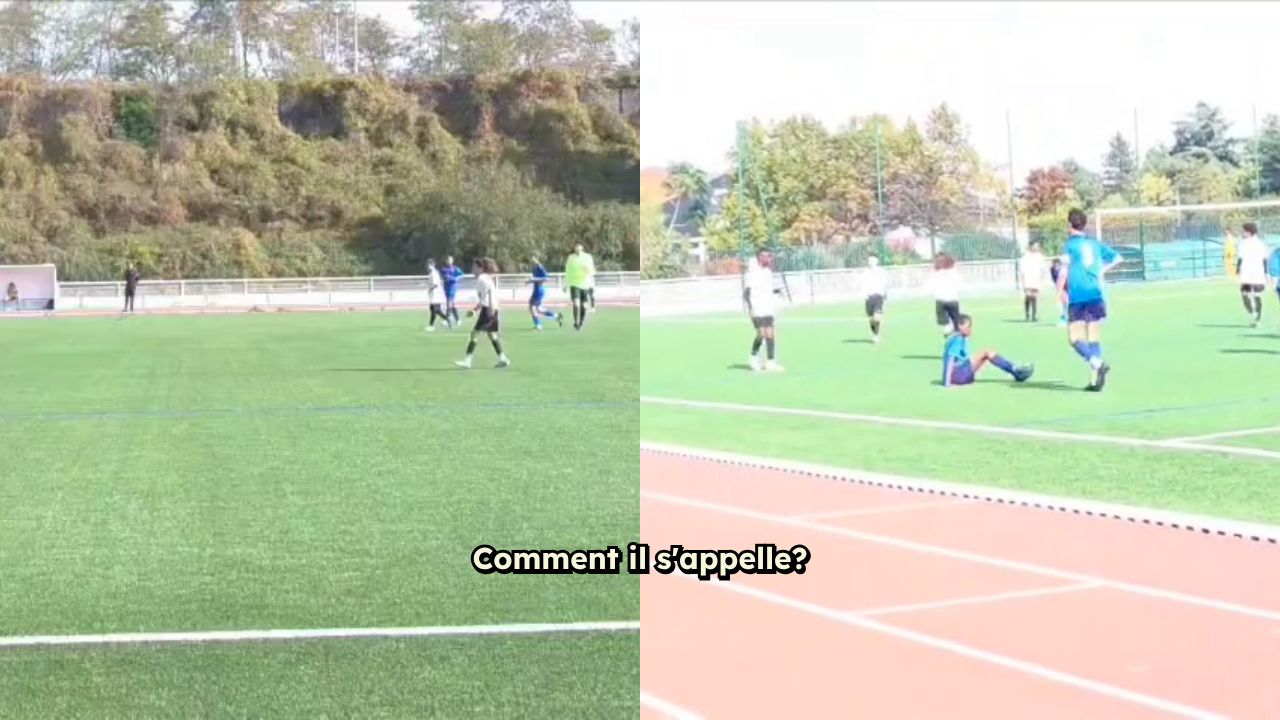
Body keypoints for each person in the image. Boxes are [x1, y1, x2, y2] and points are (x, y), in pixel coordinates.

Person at [1057, 208, 1121, 392]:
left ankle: (1096, 363)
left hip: (1078, 295)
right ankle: (1095, 381)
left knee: (1074, 338)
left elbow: (1064, 269)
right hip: (1095, 293)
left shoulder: (1070, 245)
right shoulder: (1094, 243)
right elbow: (1118, 258)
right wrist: (1100, 271)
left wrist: (1059, 290)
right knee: (1093, 335)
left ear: (1069, 224)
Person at [942, 314, 1034, 388]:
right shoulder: (957, 340)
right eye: (968, 326)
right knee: (987, 352)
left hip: (961, 373)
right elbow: (949, 359)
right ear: (960, 327)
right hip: (960, 376)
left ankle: (1016, 371)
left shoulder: (959, 337)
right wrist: (947, 383)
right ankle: (1016, 372)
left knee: (985, 354)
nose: (971, 329)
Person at [454, 258, 510, 369]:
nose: (472, 270)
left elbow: (485, 298)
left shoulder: (481, 279)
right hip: (493, 309)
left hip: (488, 309)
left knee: (474, 333)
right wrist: (477, 310)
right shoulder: (487, 278)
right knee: (491, 335)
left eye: (474, 268)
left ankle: (467, 361)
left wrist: (478, 310)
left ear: (481, 268)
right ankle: (503, 358)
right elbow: (487, 296)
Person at [744, 250, 784, 372]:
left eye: (769, 256)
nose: (768, 258)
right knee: (761, 334)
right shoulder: (751, 273)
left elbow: (769, 289)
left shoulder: (768, 273)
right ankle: (753, 356)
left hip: (768, 307)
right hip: (756, 308)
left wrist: (777, 292)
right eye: (764, 256)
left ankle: (770, 362)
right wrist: (750, 308)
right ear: (759, 258)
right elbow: (746, 292)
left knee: (770, 333)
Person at [1233, 224, 1270, 328]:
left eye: (1244, 231)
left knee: (1247, 295)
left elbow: (1240, 259)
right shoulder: (1260, 243)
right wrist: (1266, 273)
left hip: (1249, 274)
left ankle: (1255, 315)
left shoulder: (1244, 244)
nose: (1242, 233)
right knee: (1253, 295)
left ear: (1249, 232)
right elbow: (1265, 260)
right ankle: (1256, 317)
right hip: (1256, 274)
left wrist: (1237, 271)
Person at [927, 252, 962, 336]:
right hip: (953, 299)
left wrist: (930, 291)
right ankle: (956, 329)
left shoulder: (935, 273)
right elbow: (959, 283)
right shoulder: (953, 272)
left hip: (940, 299)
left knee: (942, 316)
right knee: (955, 316)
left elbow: (930, 285)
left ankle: (948, 327)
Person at [527, 255, 563, 330]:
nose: (531, 259)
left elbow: (545, 278)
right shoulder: (534, 268)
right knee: (538, 309)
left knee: (532, 307)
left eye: (532, 258)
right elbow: (536, 279)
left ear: (536, 258)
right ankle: (556, 316)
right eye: (530, 258)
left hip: (539, 291)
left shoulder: (540, 267)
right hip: (536, 290)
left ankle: (538, 325)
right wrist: (530, 281)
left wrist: (533, 279)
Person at [564, 243, 595, 330]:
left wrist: (587, 270)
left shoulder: (588, 257)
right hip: (574, 284)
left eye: (579, 247)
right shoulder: (570, 258)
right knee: (576, 304)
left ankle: (581, 322)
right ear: (574, 248)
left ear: (582, 248)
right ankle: (576, 322)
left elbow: (592, 272)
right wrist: (565, 284)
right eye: (576, 247)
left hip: (585, 285)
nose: (577, 248)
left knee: (583, 306)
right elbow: (567, 271)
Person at [861, 254, 888, 343]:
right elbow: (863, 285)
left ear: (877, 261)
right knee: (871, 319)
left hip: (878, 296)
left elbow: (885, 283)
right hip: (869, 297)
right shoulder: (865, 273)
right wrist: (864, 294)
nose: (871, 262)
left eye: (873, 260)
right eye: (869, 261)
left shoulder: (881, 271)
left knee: (877, 316)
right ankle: (875, 333)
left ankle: (876, 334)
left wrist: (885, 293)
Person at [1019, 241, 1046, 322]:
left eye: (1037, 246)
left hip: (1036, 279)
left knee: (1034, 297)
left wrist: (1042, 278)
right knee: (1028, 296)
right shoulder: (1025, 257)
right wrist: (1023, 280)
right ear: (1030, 246)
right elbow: (1022, 269)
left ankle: (1034, 315)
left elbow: (1043, 268)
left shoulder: (1040, 256)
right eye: (1035, 246)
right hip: (1028, 279)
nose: (1036, 247)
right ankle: (1027, 314)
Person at [439, 255, 464, 328]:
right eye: (447, 260)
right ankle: (458, 320)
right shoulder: (443, 269)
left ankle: (448, 319)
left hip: (452, 288)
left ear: (452, 261)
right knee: (451, 304)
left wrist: (456, 278)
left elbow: (462, 275)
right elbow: (441, 277)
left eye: (450, 260)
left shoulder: (455, 268)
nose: (449, 261)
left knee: (449, 303)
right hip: (446, 288)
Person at [424, 258, 447, 332]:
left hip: (436, 295)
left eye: (428, 265)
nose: (426, 267)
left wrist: (430, 289)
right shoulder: (432, 273)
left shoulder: (434, 273)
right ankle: (447, 319)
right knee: (435, 310)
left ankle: (431, 326)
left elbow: (435, 284)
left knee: (434, 309)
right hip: (434, 294)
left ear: (431, 265)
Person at [1048, 257, 1068, 326]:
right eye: (1054, 265)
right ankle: (1064, 318)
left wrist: (1059, 294)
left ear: (1060, 265)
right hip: (1063, 286)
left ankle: (1065, 318)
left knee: (1066, 302)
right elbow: (1055, 281)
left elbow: (1062, 282)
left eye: (1057, 265)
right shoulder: (1052, 270)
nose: (1056, 267)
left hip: (1070, 286)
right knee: (1064, 302)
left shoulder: (1063, 271)